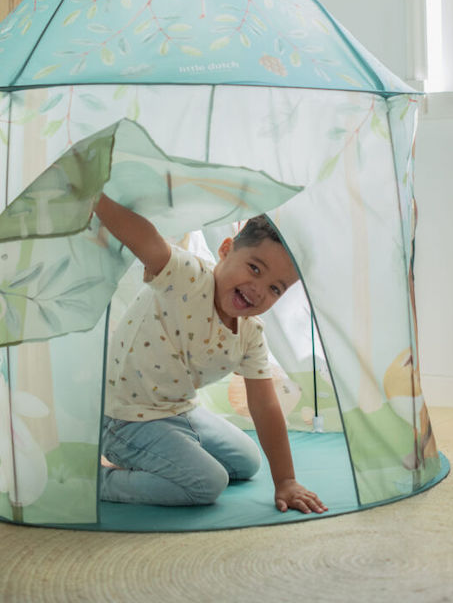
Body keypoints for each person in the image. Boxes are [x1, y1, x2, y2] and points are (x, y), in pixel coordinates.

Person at [94, 193, 327, 515]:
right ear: (225, 249)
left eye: (276, 288)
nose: (259, 289)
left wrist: (285, 480)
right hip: (125, 417)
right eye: (255, 269)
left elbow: (265, 405)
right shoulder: (187, 277)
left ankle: (170, 450)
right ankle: (98, 481)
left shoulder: (250, 333)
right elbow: (144, 239)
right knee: (207, 483)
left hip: (178, 411)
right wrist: (96, 200)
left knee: (247, 461)